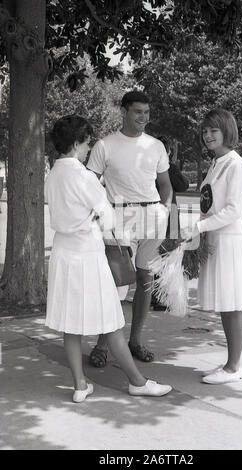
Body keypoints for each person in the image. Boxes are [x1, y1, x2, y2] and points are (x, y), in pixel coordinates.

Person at [45, 115, 172, 402]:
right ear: (77, 142)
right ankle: (136, 382)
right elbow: (109, 216)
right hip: (87, 255)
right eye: (87, 142)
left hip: (63, 253)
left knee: (70, 323)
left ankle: (79, 385)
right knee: (111, 319)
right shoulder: (83, 176)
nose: (89, 147)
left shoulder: (52, 174)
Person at [87, 90, 173, 367]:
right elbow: (89, 184)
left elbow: (165, 184)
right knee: (117, 284)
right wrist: (101, 215)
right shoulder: (105, 145)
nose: (143, 118)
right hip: (120, 218)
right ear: (124, 111)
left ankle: (135, 340)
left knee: (146, 281)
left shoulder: (156, 146)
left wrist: (166, 209)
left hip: (152, 216)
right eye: (138, 112)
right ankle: (103, 344)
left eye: (147, 113)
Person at [189, 108, 242, 384]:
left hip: (229, 241)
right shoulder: (217, 163)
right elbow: (209, 203)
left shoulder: (236, 165)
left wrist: (199, 227)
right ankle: (230, 362)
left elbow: (233, 210)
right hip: (214, 238)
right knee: (225, 304)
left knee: (232, 303)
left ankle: (234, 367)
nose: (207, 136)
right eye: (204, 131)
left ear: (227, 131)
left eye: (213, 130)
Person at [151, 137, 189, 310]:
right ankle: (163, 297)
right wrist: (173, 166)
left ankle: (154, 295)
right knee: (168, 255)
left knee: (153, 253)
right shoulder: (168, 167)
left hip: (149, 214)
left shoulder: (145, 165)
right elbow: (183, 185)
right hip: (169, 214)